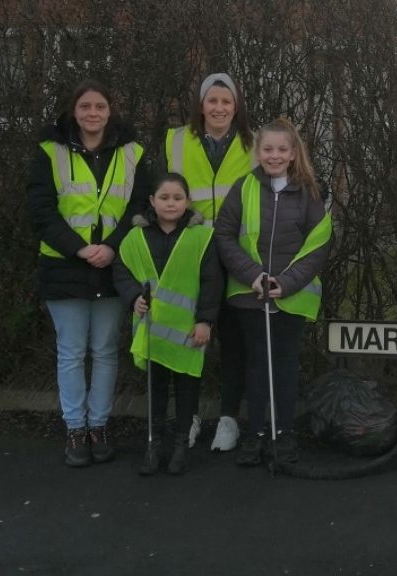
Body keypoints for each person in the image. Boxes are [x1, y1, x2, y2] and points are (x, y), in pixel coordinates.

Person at [28, 79, 149, 467]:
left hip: (114, 266)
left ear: (110, 110)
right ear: (74, 111)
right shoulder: (50, 151)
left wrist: (111, 246)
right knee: (71, 352)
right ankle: (75, 431)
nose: (92, 114)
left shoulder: (133, 153)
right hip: (65, 267)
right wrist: (79, 248)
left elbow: (140, 207)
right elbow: (42, 211)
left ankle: (99, 426)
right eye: (85, 107)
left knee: (106, 350)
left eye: (99, 106)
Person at [215, 116, 332, 471]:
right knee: (256, 365)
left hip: (291, 296)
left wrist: (288, 282)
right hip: (250, 295)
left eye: (282, 149)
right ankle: (255, 434)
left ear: (294, 153)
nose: (275, 155)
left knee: (284, 366)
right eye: (268, 149)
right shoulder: (243, 187)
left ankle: (284, 433)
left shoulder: (310, 192)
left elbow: (319, 244)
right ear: (258, 152)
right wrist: (253, 276)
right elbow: (224, 235)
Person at [165, 73, 255, 452]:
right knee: (192, 339)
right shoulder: (177, 140)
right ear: (200, 105)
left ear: (236, 107)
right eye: (212, 101)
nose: (219, 108)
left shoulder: (253, 144)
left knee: (234, 342)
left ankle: (229, 418)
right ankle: (189, 417)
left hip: (238, 254)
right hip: (194, 253)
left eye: (226, 102)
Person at [113, 173, 223, 476]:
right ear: (152, 201)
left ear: (187, 201)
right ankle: (153, 445)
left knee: (187, 390)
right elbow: (121, 270)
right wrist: (133, 296)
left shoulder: (202, 237)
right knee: (157, 391)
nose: (171, 203)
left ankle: (179, 446)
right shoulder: (136, 237)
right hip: (153, 332)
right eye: (164, 197)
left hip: (189, 332)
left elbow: (212, 282)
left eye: (177, 198)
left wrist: (205, 321)